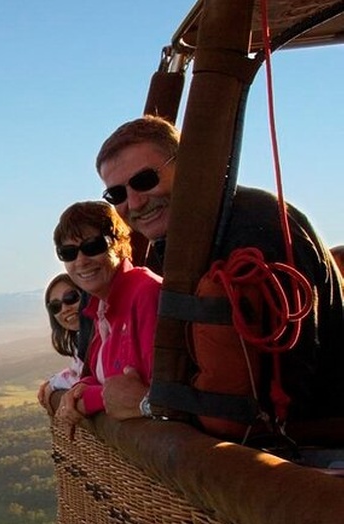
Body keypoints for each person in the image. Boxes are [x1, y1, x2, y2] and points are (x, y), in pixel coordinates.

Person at [95, 114, 344, 424]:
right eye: (116, 194)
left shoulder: (256, 228)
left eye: (145, 180)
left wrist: (151, 404)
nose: (133, 202)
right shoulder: (175, 245)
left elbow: (289, 381)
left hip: (311, 440)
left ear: (189, 164)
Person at [52, 201, 162, 434]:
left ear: (120, 245)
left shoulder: (145, 294)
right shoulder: (101, 308)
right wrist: (81, 388)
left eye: (93, 246)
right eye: (68, 253)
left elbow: (151, 393)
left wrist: (89, 400)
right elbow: (104, 378)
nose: (81, 261)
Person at [37, 273, 84, 414]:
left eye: (71, 298)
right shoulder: (80, 340)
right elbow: (78, 372)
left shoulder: (103, 336)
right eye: (55, 306)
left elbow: (83, 380)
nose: (64, 309)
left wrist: (53, 385)